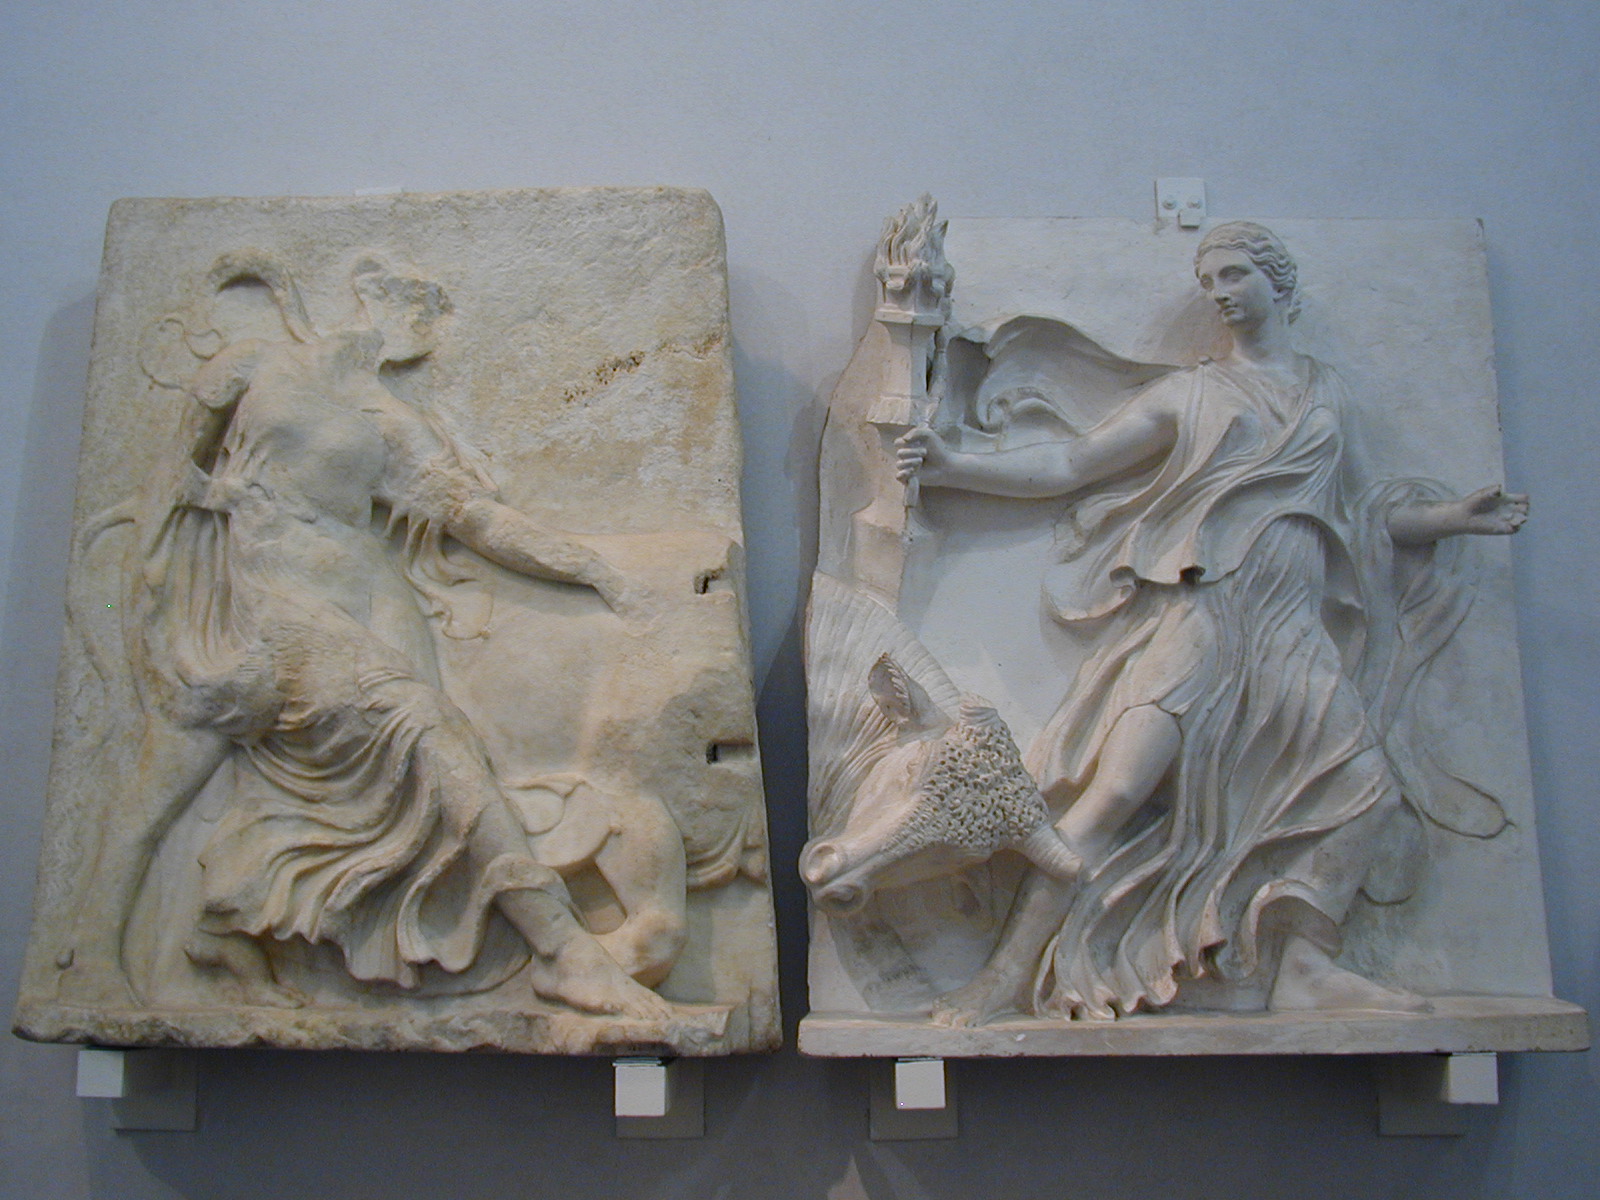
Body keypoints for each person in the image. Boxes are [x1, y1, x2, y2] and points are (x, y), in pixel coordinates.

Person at [896, 222, 1526, 1024]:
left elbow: (1361, 514)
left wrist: (1451, 517)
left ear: (1279, 284)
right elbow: (1073, 463)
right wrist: (954, 466)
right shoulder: (1192, 395)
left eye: (1234, 275)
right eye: (1209, 281)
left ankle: (1304, 966)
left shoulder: (1328, 396)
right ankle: (1002, 979)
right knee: (1116, 790)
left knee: (1363, 791)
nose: (1221, 293)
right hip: (1202, 615)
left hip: (1290, 627)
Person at [64, 252, 674, 1019]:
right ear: (374, 301)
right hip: (260, 606)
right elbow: (167, 481)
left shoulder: (393, 422)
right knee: (164, 781)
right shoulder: (249, 366)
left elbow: (478, 522)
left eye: (431, 317)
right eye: (420, 309)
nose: (426, 330)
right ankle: (88, 957)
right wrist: (157, 603)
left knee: (427, 739)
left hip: (367, 617)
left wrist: (594, 569)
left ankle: (559, 952)